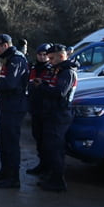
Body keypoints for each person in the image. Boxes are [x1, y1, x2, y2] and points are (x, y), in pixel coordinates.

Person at [0, 34, 30, 189]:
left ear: (5, 45)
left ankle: (13, 178)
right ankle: (5, 172)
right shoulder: (11, 59)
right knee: (3, 141)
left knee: (10, 143)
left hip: (14, 106)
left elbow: (10, 84)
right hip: (8, 105)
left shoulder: (16, 60)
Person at [35, 44, 78, 192]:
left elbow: (59, 92)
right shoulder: (58, 70)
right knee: (50, 147)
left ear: (61, 56)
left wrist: (42, 87)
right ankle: (52, 176)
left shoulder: (67, 72)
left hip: (60, 114)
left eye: (52, 58)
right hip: (53, 113)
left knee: (56, 149)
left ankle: (58, 181)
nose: (49, 61)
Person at [26, 42, 53, 176]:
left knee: (47, 141)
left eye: (45, 55)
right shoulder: (34, 68)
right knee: (37, 137)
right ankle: (42, 164)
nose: (42, 57)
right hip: (35, 107)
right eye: (40, 55)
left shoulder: (51, 69)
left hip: (46, 108)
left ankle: (48, 167)